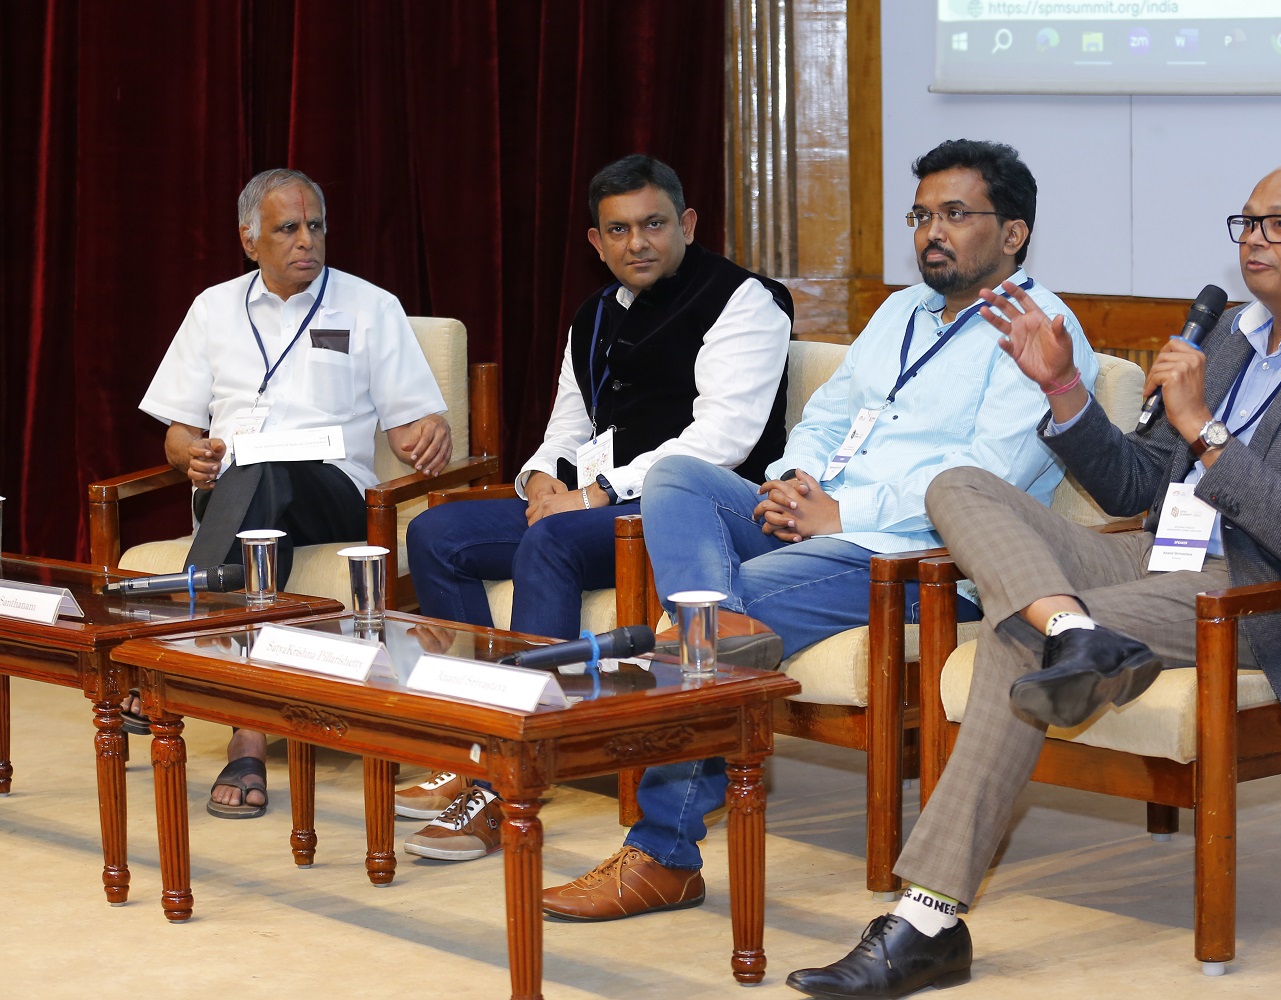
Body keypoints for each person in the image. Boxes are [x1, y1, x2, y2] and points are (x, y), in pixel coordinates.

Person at [784, 162, 1281, 998]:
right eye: (1247, 224)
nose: (1256, 244)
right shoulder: (1234, 334)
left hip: (1268, 586)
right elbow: (1135, 488)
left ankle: (926, 922)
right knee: (957, 486)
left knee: (1012, 640)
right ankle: (1075, 630)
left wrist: (1203, 429)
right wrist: (1061, 390)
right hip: (1162, 554)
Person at [540, 139, 1099, 922]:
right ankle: (718, 625)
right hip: (819, 524)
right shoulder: (903, 310)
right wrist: (790, 481)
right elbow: (829, 414)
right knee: (675, 478)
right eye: (921, 215)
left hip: (918, 562)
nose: (930, 232)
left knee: (708, 624)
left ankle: (664, 852)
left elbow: (986, 480)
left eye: (954, 215)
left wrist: (843, 514)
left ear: (1013, 234)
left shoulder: (1043, 335)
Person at [397, 154, 793, 860]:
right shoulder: (594, 313)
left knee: (545, 546)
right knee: (435, 532)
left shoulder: (744, 300)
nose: (637, 243)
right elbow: (567, 427)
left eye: (653, 225)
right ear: (595, 240)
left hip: (686, 515)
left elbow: (721, 440)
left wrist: (592, 494)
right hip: (590, 504)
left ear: (688, 223)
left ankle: (515, 775)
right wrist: (540, 482)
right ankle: (474, 738)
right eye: (618, 230)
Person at [135, 168, 452, 820]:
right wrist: (187, 454)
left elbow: (413, 422)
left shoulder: (370, 306)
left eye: (316, 226)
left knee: (269, 476)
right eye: (288, 229)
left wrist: (431, 432)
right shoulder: (213, 308)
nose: (307, 240)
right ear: (249, 240)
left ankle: (175, 653)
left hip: (333, 487)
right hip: (230, 490)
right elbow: (177, 431)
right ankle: (246, 731)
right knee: (255, 498)